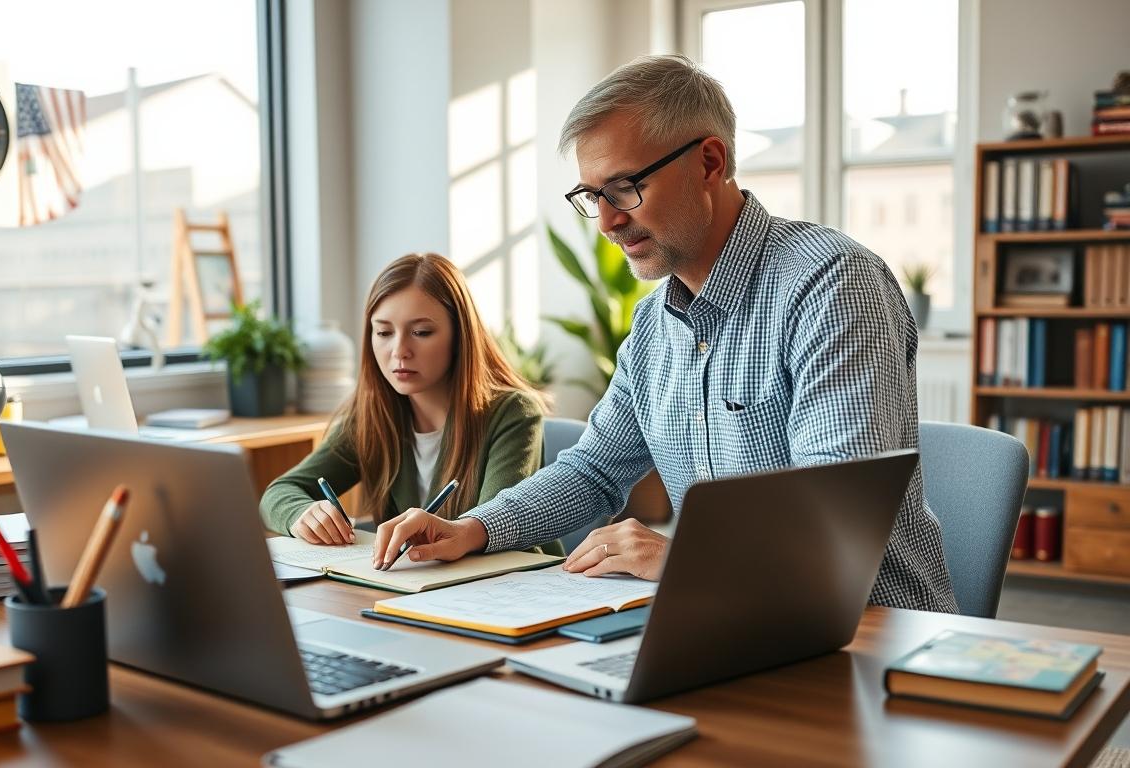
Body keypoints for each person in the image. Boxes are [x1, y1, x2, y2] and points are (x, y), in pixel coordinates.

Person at [371, 55, 958, 613]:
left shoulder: (832, 285)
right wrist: (472, 528)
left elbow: (833, 520)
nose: (606, 221)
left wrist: (682, 558)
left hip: (863, 634)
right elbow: (593, 472)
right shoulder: (655, 326)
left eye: (624, 187)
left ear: (709, 161)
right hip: (723, 621)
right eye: (592, 196)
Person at [260, 252, 553, 552]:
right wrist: (301, 514)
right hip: (414, 591)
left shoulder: (513, 413)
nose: (399, 350)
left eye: (421, 332)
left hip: (504, 591)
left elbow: (496, 531)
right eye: (384, 332)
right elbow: (279, 493)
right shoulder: (373, 415)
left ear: (459, 335)